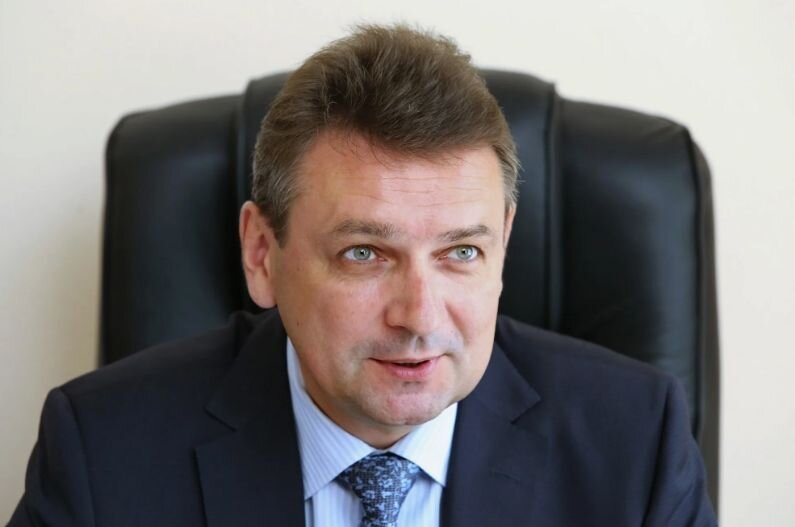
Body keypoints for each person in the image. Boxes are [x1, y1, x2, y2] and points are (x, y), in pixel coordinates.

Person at [10, 24, 717, 526]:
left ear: (502, 245)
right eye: (364, 254)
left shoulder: (636, 445)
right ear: (262, 254)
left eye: (460, 252)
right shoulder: (103, 452)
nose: (420, 317)